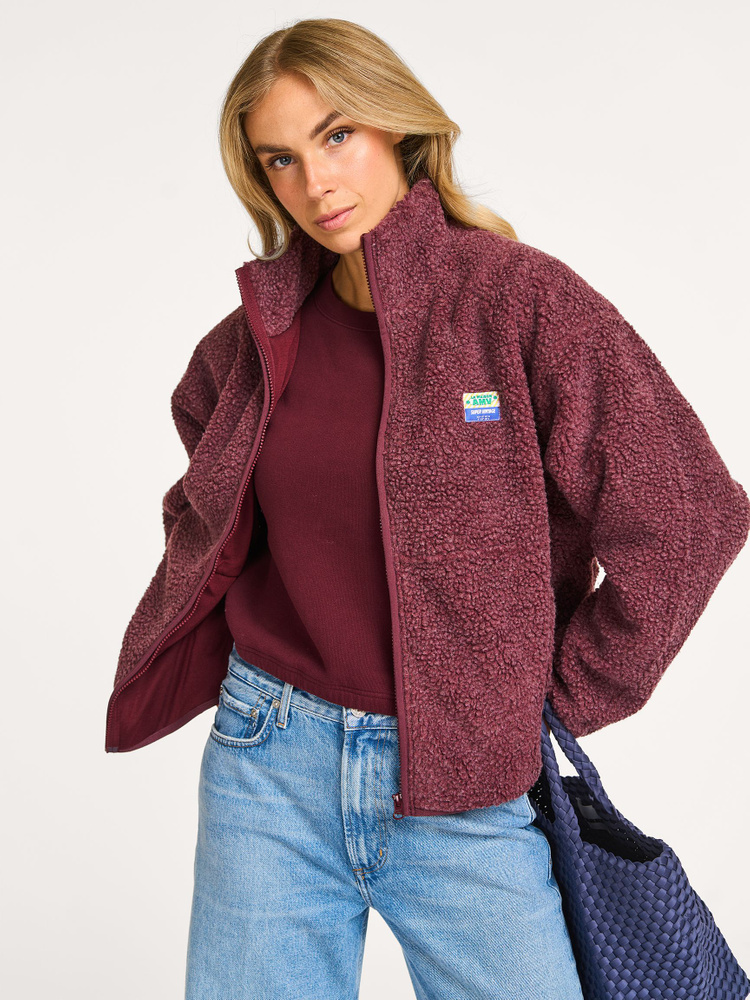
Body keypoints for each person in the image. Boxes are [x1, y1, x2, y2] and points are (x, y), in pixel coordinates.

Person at [104, 17, 750, 1000]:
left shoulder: (518, 301)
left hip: (466, 782)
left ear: (396, 125)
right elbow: (208, 503)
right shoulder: (251, 341)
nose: (316, 182)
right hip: (269, 768)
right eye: (281, 158)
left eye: (336, 135)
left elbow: (689, 514)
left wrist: (547, 696)